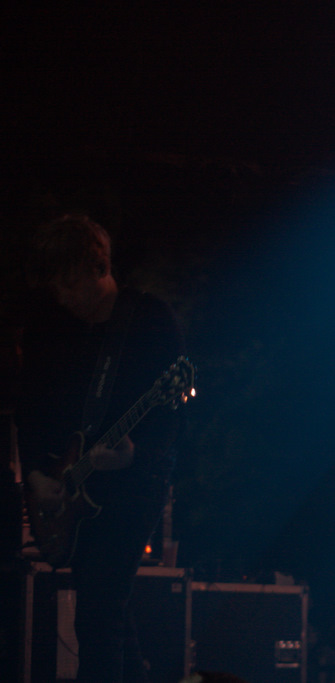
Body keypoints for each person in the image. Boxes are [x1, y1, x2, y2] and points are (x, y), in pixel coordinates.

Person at [17, 214, 186, 683]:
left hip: (133, 489)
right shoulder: (50, 326)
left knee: (97, 614)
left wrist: (135, 454)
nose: (63, 295)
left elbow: (174, 416)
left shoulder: (150, 321)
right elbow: (29, 406)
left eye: (71, 283)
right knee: (110, 615)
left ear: (100, 267)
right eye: (56, 284)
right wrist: (37, 474)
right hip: (69, 485)